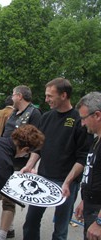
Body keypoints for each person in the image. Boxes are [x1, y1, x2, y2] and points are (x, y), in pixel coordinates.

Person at [21, 78, 93, 240]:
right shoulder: (46, 117)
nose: (46, 99)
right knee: (30, 222)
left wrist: (68, 181)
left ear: (64, 95)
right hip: (42, 179)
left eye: (49, 96)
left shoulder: (78, 120)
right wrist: (29, 165)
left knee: (60, 230)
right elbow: (38, 146)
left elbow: (83, 157)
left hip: (66, 183)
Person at [0, 86, 42, 240]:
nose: (11, 98)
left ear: (19, 96)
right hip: (7, 159)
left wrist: (31, 165)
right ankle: (9, 228)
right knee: (7, 197)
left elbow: (37, 141)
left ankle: (2, 234)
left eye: (13, 95)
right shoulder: (15, 112)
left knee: (9, 198)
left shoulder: (34, 113)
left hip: (21, 163)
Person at [74, 92, 101, 240]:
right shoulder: (96, 141)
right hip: (92, 206)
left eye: (84, 118)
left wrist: (100, 222)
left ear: (97, 115)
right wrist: (85, 200)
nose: (82, 124)